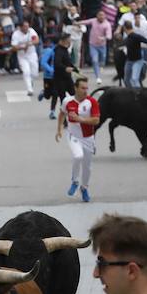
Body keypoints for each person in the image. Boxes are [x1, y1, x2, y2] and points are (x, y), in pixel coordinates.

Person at [55, 74, 100, 203]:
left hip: (88, 138)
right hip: (73, 135)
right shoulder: (67, 101)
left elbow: (96, 120)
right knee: (77, 156)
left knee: (87, 166)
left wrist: (80, 119)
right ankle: (75, 181)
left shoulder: (92, 102)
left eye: (87, 88)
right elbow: (62, 114)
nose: (85, 90)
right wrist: (58, 130)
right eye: (82, 88)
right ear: (76, 88)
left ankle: (84, 188)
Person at [50, 32, 77, 119]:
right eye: (68, 41)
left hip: (67, 78)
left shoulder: (64, 50)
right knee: (63, 99)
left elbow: (68, 62)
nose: (69, 43)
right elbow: (57, 64)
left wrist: (75, 69)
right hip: (60, 79)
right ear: (62, 41)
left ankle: (75, 113)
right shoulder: (58, 51)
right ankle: (64, 119)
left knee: (74, 95)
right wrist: (65, 68)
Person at [11, 18, 40, 96]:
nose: (26, 28)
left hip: (32, 54)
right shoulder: (16, 34)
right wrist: (22, 47)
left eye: (27, 26)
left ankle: (30, 81)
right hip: (22, 56)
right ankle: (29, 89)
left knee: (35, 73)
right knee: (26, 71)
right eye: (24, 26)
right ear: (20, 27)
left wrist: (29, 44)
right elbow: (13, 47)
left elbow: (36, 40)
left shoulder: (31, 31)